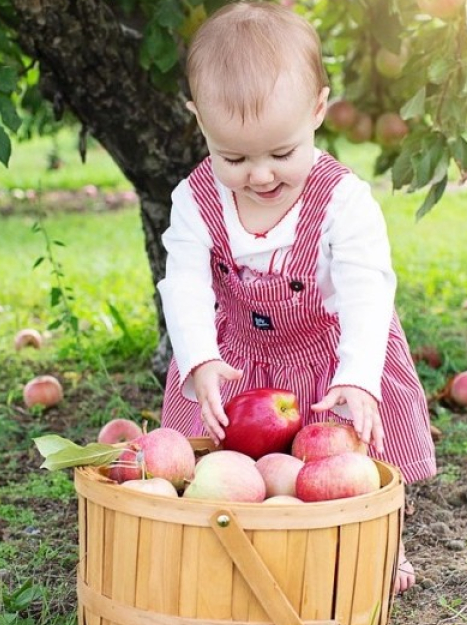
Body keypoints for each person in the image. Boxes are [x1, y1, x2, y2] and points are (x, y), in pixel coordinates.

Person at [158, 1, 436, 594]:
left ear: (318, 110)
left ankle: (380, 547)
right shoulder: (194, 200)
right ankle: (233, 546)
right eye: (233, 157)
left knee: (351, 462)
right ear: (199, 122)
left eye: (281, 153)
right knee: (226, 464)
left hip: (328, 356)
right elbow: (183, 281)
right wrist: (201, 358)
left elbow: (368, 288)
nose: (259, 176)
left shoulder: (343, 200)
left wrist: (360, 377)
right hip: (237, 357)